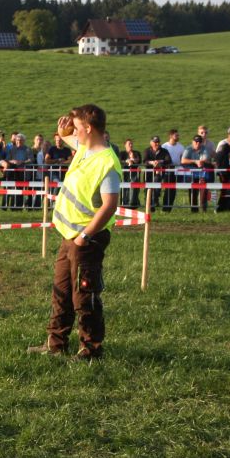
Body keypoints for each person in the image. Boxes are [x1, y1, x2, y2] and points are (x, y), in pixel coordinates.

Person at [29, 104, 121, 361]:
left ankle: (91, 349)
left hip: (87, 240)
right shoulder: (85, 150)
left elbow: (109, 205)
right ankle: (55, 344)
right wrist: (64, 130)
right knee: (61, 291)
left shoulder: (106, 163)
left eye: (78, 128)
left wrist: (85, 236)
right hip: (69, 235)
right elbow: (73, 139)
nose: (73, 133)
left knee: (84, 294)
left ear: (89, 129)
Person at [180, 135, 213, 212]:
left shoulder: (204, 148)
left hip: (201, 170)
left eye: (199, 142)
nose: (197, 143)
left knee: (204, 188)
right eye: (196, 141)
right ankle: (194, 209)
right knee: (193, 190)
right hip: (191, 171)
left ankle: (203, 208)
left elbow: (206, 158)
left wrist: (201, 162)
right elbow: (183, 161)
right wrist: (195, 161)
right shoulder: (188, 149)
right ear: (193, 141)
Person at [143, 135, 172, 212]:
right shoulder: (147, 151)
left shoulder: (164, 151)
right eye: (155, 142)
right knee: (147, 190)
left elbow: (168, 160)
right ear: (151, 143)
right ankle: (149, 207)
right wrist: (152, 162)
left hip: (160, 174)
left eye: (158, 142)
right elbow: (144, 161)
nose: (157, 144)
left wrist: (160, 161)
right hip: (148, 174)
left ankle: (155, 201)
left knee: (156, 186)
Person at [119, 139, 143, 209]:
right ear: (125, 145)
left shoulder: (136, 153)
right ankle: (124, 203)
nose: (131, 145)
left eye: (131, 144)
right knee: (125, 188)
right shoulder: (122, 153)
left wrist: (133, 159)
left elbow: (139, 161)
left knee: (135, 188)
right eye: (129, 144)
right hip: (125, 173)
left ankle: (133, 203)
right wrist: (127, 161)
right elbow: (120, 161)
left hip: (134, 174)